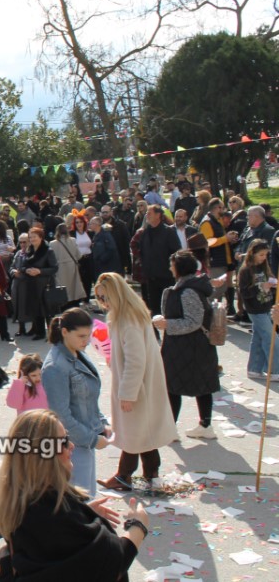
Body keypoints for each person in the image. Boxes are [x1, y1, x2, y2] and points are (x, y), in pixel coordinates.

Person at [0, 410, 150, 582]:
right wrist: (138, 526)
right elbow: (109, 566)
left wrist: (83, 515)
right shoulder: (53, 510)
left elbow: (54, 544)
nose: (71, 445)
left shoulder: (20, 498)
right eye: (63, 441)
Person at [93, 273, 176, 491]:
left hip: (138, 386)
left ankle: (125, 476)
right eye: (99, 298)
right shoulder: (129, 314)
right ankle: (149, 475)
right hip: (142, 384)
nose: (103, 302)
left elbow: (135, 361)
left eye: (105, 297)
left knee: (134, 433)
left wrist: (128, 393)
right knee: (141, 433)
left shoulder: (127, 320)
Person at [42, 308, 110, 497]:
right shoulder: (55, 366)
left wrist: (101, 423)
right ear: (65, 332)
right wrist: (93, 439)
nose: (86, 341)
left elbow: (88, 397)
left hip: (85, 436)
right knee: (81, 499)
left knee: (88, 497)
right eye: (81, 336)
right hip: (72, 445)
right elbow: (61, 416)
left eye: (88, 335)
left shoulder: (77, 353)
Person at [153, 250, 220, 439]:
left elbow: (193, 321)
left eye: (172, 264)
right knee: (200, 385)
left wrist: (167, 324)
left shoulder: (188, 291)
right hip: (191, 346)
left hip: (188, 346)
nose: (170, 268)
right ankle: (204, 425)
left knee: (174, 386)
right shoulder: (189, 287)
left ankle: (173, 428)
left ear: (178, 268)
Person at [239, 239, 279, 379]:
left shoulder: (264, 268)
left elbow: (270, 285)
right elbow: (244, 293)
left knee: (259, 338)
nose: (263, 257)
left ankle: (254, 369)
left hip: (266, 306)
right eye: (261, 254)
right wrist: (261, 287)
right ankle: (275, 371)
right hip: (255, 310)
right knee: (272, 339)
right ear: (252, 253)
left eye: (265, 254)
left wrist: (273, 286)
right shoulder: (245, 271)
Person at [11, 228, 58, 340]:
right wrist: (26, 270)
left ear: (41, 237)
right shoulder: (29, 251)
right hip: (32, 284)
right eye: (30, 237)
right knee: (36, 309)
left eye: (34, 237)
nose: (32, 239)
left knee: (48, 310)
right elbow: (23, 266)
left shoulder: (48, 251)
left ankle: (52, 334)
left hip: (45, 284)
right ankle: (39, 332)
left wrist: (40, 271)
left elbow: (54, 268)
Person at [140, 205, 182, 315]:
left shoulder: (168, 232)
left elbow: (176, 253)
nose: (147, 215)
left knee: (167, 308)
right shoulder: (145, 232)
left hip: (166, 277)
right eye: (147, 213)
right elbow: (142, 252)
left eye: (149, 213)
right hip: (150, 278)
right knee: (153, 309)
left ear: (158, 215)